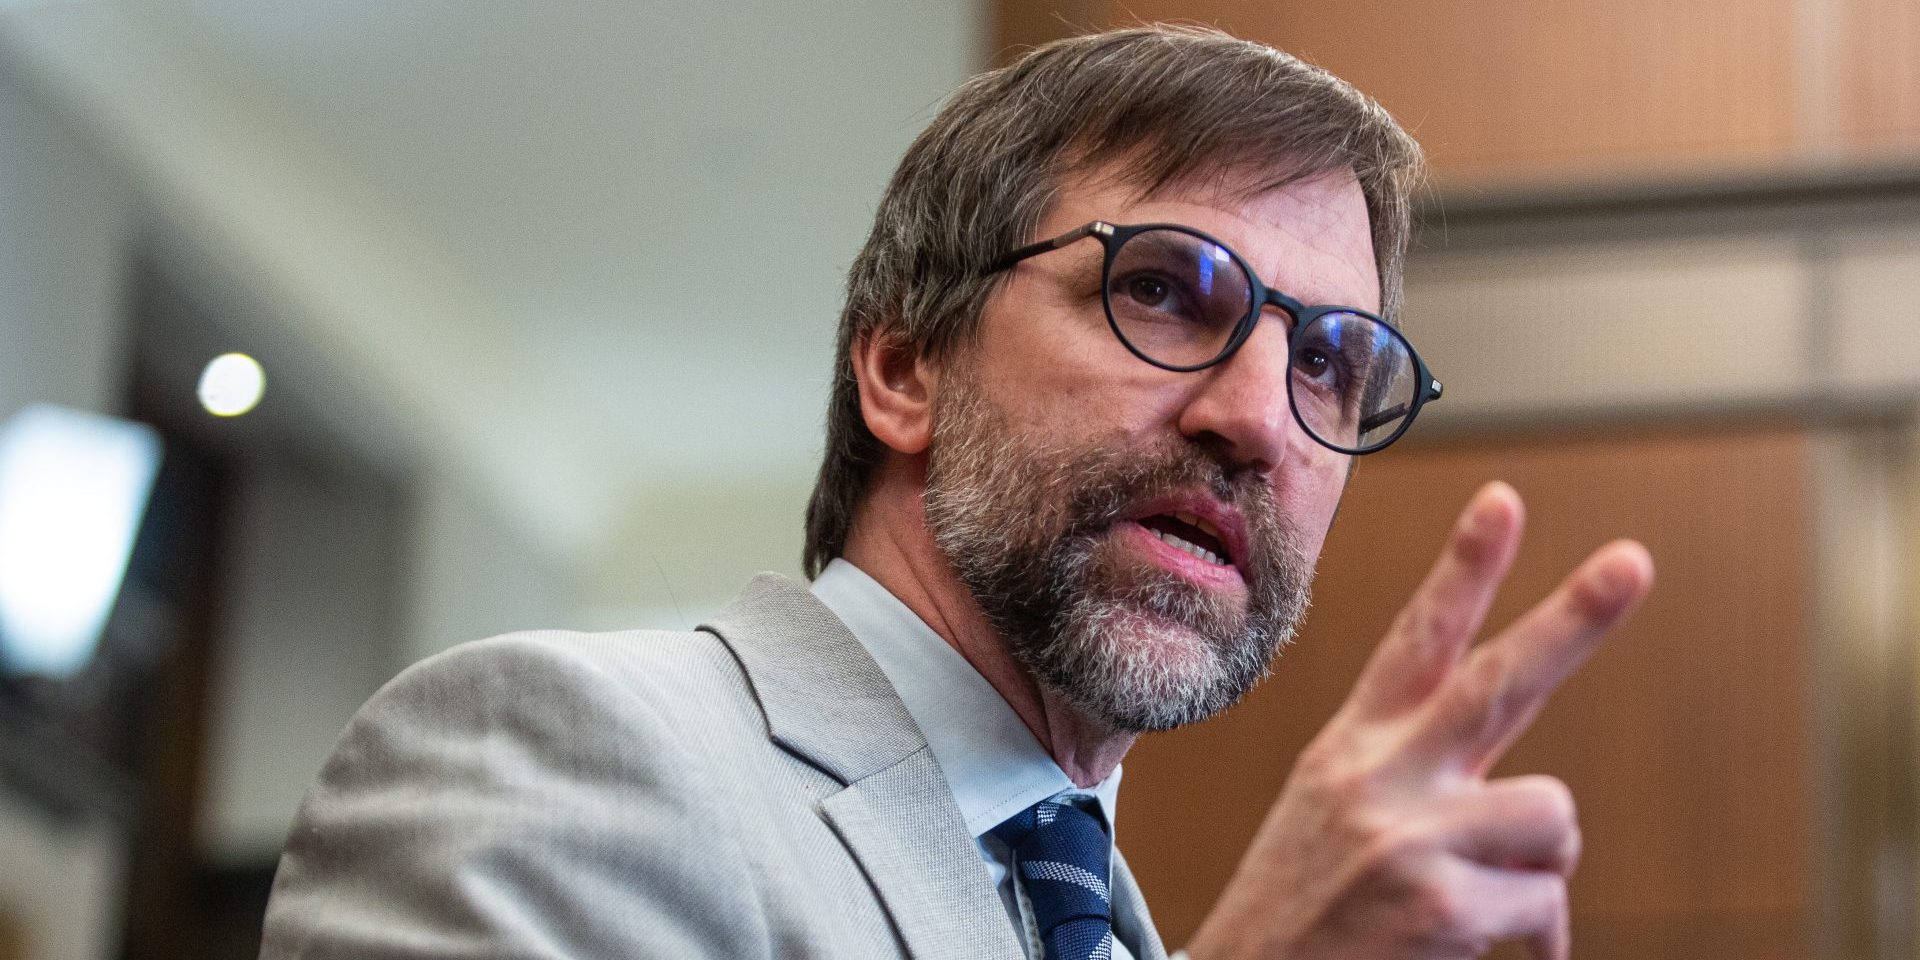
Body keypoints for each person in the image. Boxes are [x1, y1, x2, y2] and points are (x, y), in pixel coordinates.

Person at [259, 24, 1653, 960]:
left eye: (1332, 364)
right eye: (1164, 291)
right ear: (906, 366)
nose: (1255, 421)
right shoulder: (550, 757)